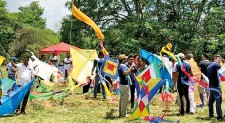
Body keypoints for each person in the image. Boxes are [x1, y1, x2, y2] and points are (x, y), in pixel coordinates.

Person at [207, 55, 222, 120]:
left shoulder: (209, 66)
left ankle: (211, 113)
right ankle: (219, 116)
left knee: (211, 101)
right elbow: (220, 67)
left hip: (211, 85)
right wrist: (220, 61)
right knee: (218, 101)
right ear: (215, 59)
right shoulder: (215, 64)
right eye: (219, 58)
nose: (220, 59)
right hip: (216, 86)